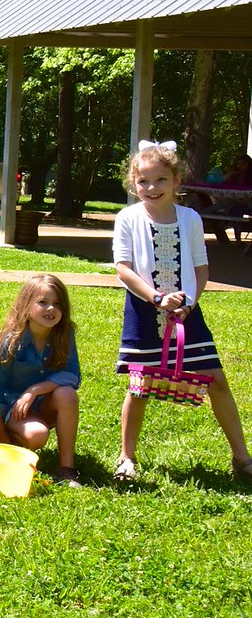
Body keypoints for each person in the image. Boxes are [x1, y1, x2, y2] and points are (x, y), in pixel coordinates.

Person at [112, 141, 251, 484]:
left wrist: (190, 301)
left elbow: (201, 268)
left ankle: (243, 459)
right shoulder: (127, 218)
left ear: (176, 181)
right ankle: (126, 458)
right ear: (133, 182)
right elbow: (123, 268)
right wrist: (156, 298)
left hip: (189, 314)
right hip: (145, 312)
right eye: (143, 181)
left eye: (160, 180)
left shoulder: (190, 218)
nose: (151, 188)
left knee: (217, 379)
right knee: (139, 385)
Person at [0, 273, 82, 485]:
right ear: (26, 307)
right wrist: (2, 438)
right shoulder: (12, 342)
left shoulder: (64, 334)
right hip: (12, 408)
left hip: (42, 403)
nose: (51, 309)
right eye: (42, 302)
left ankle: (66, 468)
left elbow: (72, 374)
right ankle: (15, 435)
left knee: (67, 394)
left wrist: (35, 390)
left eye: (57, 304)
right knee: (37, 435)